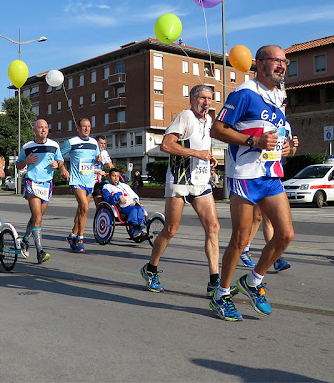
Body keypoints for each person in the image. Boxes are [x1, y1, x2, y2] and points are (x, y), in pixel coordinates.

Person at [209, 45, 295, 321]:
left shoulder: (279, 97)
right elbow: (217, 129)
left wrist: (289, 147)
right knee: (241, 238)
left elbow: (279, 139)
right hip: (246, 174)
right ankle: (221, 294)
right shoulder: (245, 93)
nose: (281, 65)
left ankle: (253, 282)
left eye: (284, 61)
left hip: (271, 174)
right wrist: (254, 141)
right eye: (276, 61)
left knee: (285, 235)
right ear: (259, 64)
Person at [139, 85, 226, 297]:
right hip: (179, 181)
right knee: (170, 230)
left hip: (201, 182)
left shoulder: (208, 122)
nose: (206, 102)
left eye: (209, 98)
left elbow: (200, 149)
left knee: (213, 227)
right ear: (192, 99)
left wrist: (208, 157)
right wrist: (197, 153)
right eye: (202, 98)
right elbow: (166, 145)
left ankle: (214, 281)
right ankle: (150, 269)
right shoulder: (185, 116)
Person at [241, 126, 299, 271]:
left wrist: (291, 148)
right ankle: (244, 248)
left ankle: (274, 258)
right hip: (255, 174)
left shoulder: (285, 124)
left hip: (273, 175)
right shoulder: (264, 117)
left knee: (264, 218)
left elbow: (289, 151)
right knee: (258, 217)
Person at [16, 119, 66, 264]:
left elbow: (61, 161)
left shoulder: (54, 145)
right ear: (34, 130)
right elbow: (18, 165)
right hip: (32, 183)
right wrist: (26, 161)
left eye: (45, 128)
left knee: (37, 218)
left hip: (47, 185)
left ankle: (25, 239)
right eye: (40, 128)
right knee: (37, 216)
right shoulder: (27, 146)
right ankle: (40, 251)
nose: (43, 130)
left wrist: (58, 165)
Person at [60, 118, 99, 253]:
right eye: (84, 127)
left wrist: (98, 159)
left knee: (81, 211)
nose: (87, 129)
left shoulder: (94, 143)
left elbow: (97, 158)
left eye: (89, 126)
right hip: (76, 181)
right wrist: (63, 169)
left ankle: (72, 235)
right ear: (78, 128)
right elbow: (58, 155)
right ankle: (80, 239)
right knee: (85, 208)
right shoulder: (71, 142)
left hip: (89, 181)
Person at [102, 168, 146, 238]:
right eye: (114, 176)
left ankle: (141, 226)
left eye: (117, 176)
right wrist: (118, 197)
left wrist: (134, 200)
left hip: (131, 203)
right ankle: (134, 228)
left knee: (140, 209)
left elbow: (133, 194)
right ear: (109, 177)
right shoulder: (107, 187)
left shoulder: (124, 186)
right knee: (134, 210)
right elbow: (108, 198)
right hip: (120, 206)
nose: (116, 178)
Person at [92, 135, 115, 206]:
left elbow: (111, 166)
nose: (103, 145)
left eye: (104, 143)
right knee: (84, 206)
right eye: (101, 143)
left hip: (98, 181)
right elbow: (85, 169)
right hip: (89, 180)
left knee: (101, 201)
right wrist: (98, 172)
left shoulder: (104, 153)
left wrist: (115, 173)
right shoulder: (91, 152)